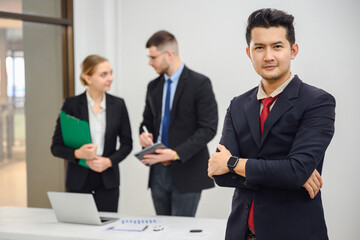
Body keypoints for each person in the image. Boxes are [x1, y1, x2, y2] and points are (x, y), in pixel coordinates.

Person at [208, 8, 335, 240]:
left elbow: (295, 171)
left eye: (277, 46)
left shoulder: (317, 102)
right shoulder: (237, 105)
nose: (268, 56)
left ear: (293, 50)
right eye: (259, 47)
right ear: (249, 52)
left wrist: (234, 162)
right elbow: (220, 174)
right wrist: (286, 172)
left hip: (293, 232)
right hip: (241, 233)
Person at [139, 30, 218, 217]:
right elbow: (146, 121)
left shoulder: (200, 83)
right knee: (163, 230)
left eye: (153, 57)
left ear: (169, 54)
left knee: (181, 233)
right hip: (157, 170)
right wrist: (144, 134)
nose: (150, 62)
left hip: (187, 170)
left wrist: (175, 153)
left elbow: (208, 128)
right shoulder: (153, 86)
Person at [51, 55, 132, 212]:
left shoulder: (118, 105)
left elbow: (127, 144)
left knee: (106, 232)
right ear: (87, 78)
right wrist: (77, 153)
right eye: (104, 74)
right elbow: (56, 147)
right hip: (78, 180)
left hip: (108, 181)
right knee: (79, 232)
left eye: (111, 73)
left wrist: (109, 161)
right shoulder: (71, 105)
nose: (110, 78)